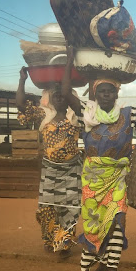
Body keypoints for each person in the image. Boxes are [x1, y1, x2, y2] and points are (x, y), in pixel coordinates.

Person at [62, 47, 136, 271]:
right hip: (93, 180)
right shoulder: (87, 113)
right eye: (101, 91)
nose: (106, 94)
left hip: (117, 178)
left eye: (110, 91)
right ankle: (104, 263)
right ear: (95, 94)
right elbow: (65, 92)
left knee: (117, 219)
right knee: (95, 222)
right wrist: (70, 58)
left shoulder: (128, 114)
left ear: (117, 93)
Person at [16, 68, 82, 258]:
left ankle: (64, 243)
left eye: (63, 94)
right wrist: (22, 80)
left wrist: (69, 62)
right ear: (49, 98)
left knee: (69, 208)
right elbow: (21, 104)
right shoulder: (43, 115)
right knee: (46, 208)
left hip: (72, 170)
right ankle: (49, 238)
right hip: (49, 170)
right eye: (56, 95)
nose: (60, 97)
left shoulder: (76, 115)